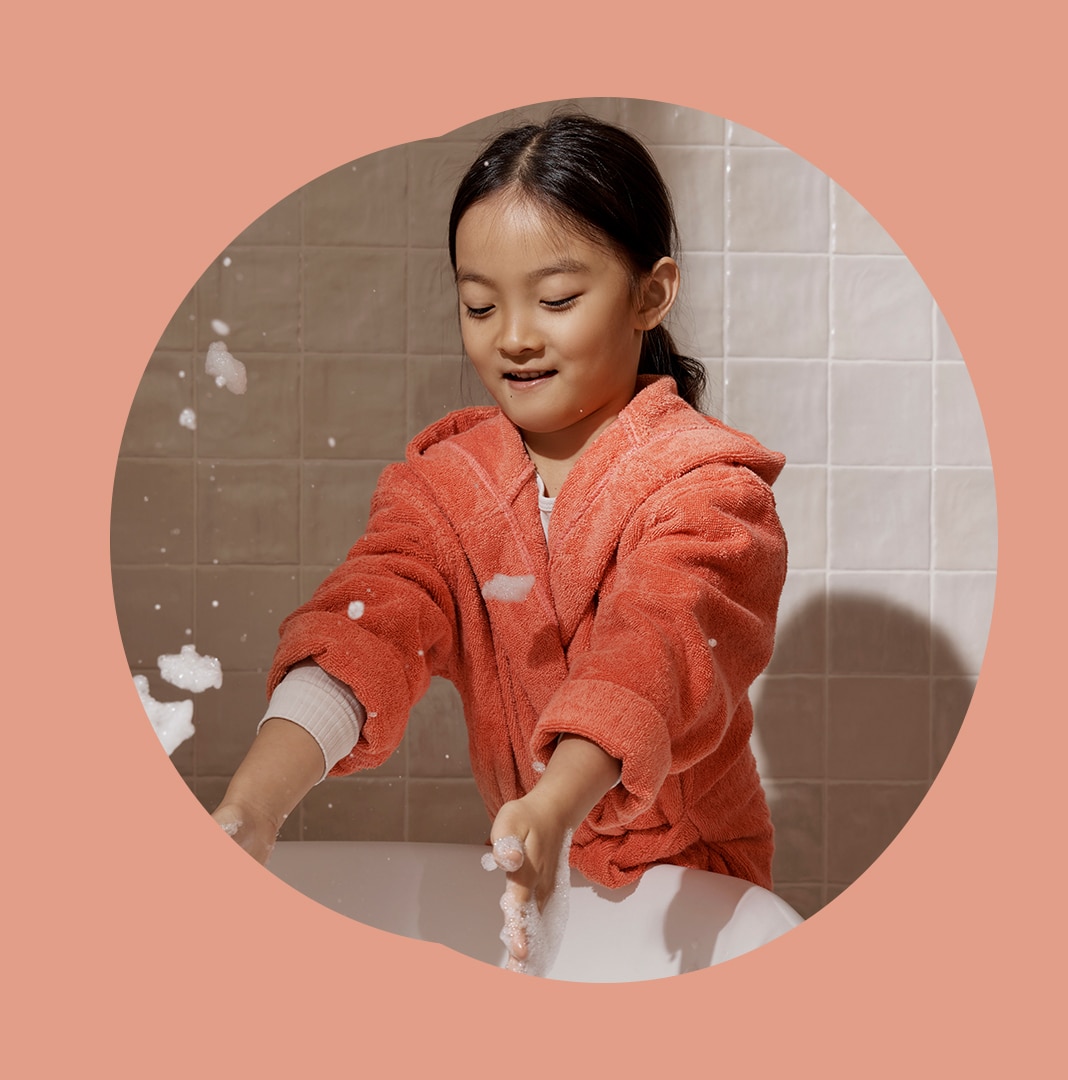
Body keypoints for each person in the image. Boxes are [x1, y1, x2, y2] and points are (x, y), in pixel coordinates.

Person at [212, 112, 788, 973]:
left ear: (650, 293)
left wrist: (552, 808)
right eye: (480, 303)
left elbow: (657, 649)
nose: (513, 334)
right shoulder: (447, 489)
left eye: (556, 300)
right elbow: (363, 630)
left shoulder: (709, 493)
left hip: (686, 902)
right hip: (532, 861)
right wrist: (249, 812)